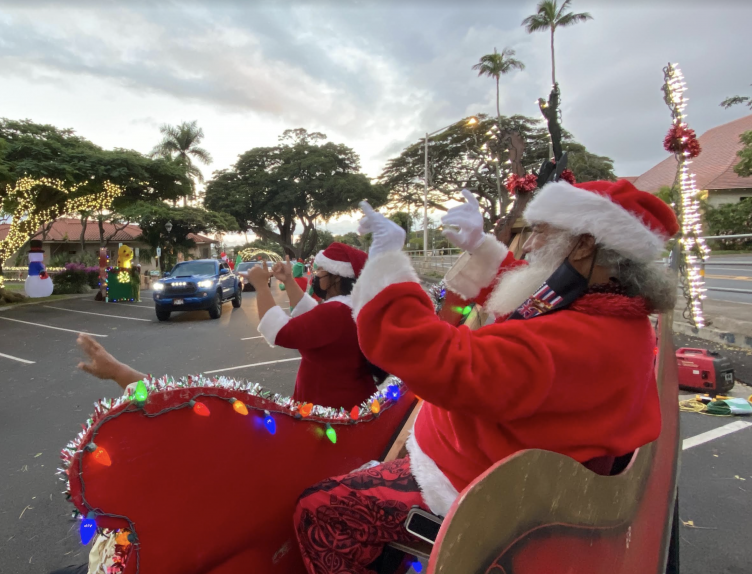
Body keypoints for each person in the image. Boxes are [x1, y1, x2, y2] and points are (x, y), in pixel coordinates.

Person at [293, 179, 679, 574]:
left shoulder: (580, 337)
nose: (527, 246)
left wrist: (387, 265)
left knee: (321, 508)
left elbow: (445, 361)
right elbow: (534, 300)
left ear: (584, 245)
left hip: (476, 484)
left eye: (540, 232)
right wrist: (480, 246)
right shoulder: (608, 310)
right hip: (509, 465)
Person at [248, 243, 379, 409]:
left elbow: (280, 332)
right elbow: (312, 317)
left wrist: (261, 286)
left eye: (320, 271)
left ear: (337, 276)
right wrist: (288, 280)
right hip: (350, 400)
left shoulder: (337, 312)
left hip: (330, 407)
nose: (316, 275)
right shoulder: (349, 306)